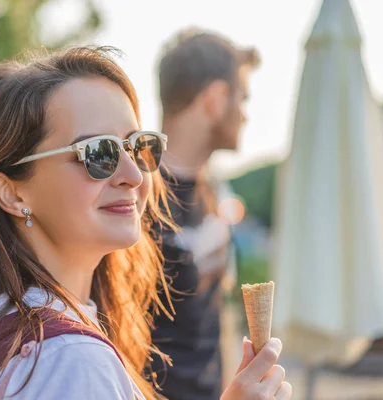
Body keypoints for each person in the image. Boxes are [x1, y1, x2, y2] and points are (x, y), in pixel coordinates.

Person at [0, 46, 291, 400]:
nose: (134, 174)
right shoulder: (70, 360)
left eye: (139, 147)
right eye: (99, 153)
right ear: (12, 193)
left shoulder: (0, 327)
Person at [151, 29, 261, 400]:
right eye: (242, 98)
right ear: (215, 98)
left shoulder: (211, 190)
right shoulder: (132, 197)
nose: (245, 115)